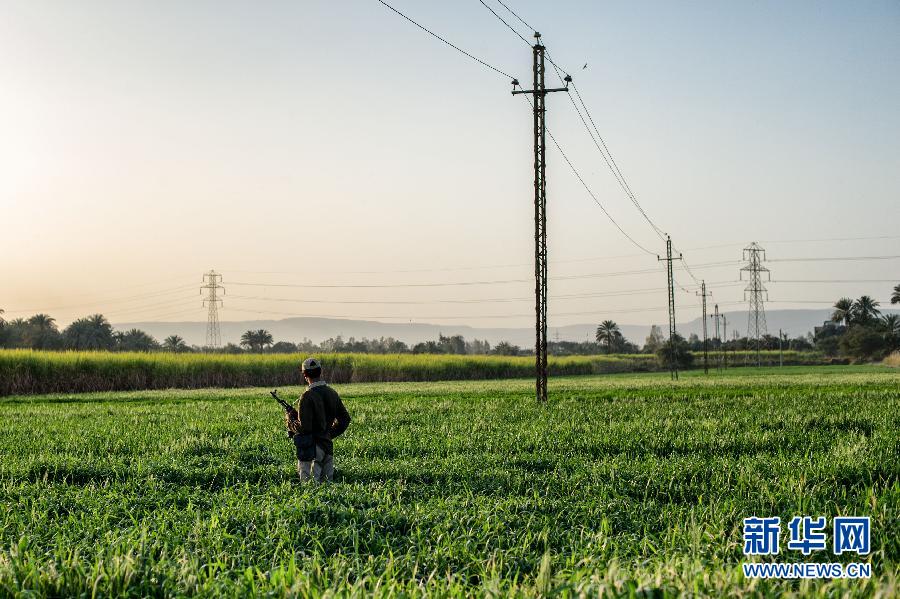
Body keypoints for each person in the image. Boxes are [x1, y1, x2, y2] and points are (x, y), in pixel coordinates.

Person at [285, 358, 351, 482]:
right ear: (320, 372)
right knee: (327, 489)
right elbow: (345, 419)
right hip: (327, 448)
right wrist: (328, 434)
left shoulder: (307, 396)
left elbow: (304, 428)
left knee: (310, 489)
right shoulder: (332, 393)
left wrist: (290, 419)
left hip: (311, 450)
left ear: (305, 375)